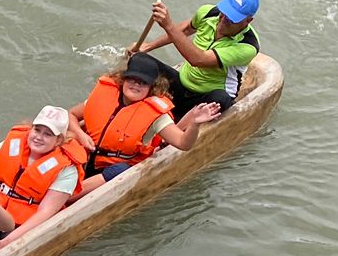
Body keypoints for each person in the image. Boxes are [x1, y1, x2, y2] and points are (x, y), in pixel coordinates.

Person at [69, 54, 223, 193]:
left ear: (152, 87)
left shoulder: (156, 114)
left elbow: (183, 143)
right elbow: (71, 115)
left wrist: (195, 124)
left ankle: (71, 197)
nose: (136, 85)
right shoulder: (105, 94)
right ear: (123, 79)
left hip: (112, 167)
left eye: (143, 83)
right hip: (86, 154)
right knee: (66, 145)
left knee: (119, 170)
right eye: (132, 79)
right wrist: (81, 135)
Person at [138, 0, 261, 120]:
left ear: (248, 21)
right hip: (182, 83)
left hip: (207, 96)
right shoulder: (208, 12)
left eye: (232, 18)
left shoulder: (248, 46)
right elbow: (184, 30)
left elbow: (198, 60)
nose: (224, 19)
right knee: (139, 60)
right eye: (225, 12)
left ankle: (181, 129)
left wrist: (168, 25)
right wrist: (148, 46)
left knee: (220, 99)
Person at [0, 107, 85, 237]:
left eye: (47, 134)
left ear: (59, 140)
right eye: (37, 130)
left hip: (22, 223)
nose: (39, 137)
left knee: (3, 237)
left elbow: (45, 212)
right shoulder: (15, 142)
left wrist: (9, 240)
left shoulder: (67, 170)